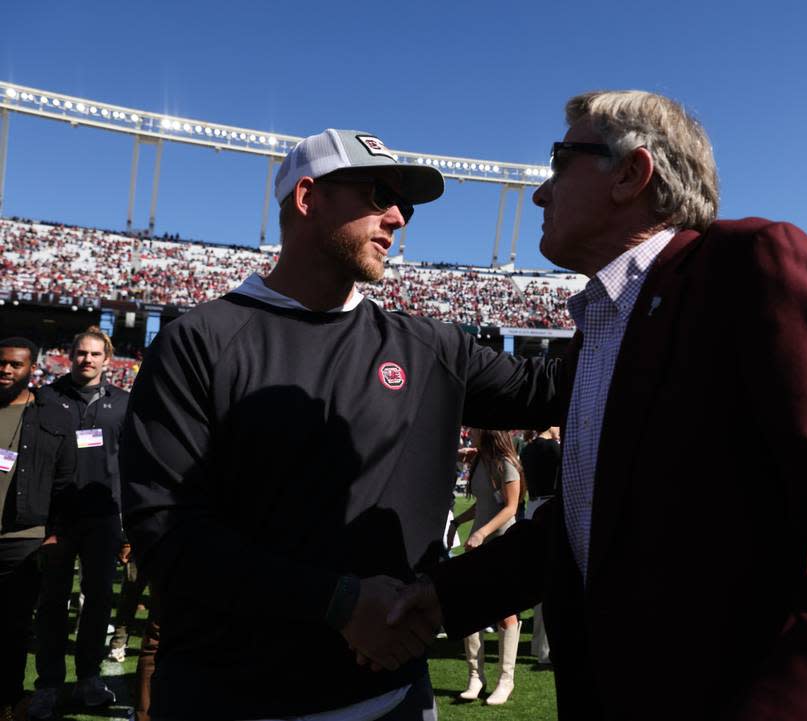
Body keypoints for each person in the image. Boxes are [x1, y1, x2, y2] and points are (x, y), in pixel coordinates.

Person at [391, 91, 807, 720]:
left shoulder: (753, 268)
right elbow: (584, 526)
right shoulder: (597, 330)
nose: (541, 193)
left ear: (632, 174)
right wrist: (443, 597)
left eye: (560, 161)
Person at [119, 128, 562, 721]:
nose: (399, 218)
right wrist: (338, 602)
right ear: (307, 199)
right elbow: (166, 535)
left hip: (392, 697)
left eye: (404, 203)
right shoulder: (199, 341)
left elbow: (558, 390)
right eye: (379, 194)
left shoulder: (428, 347)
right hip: (227, 698)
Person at [29, 327, 129, 718]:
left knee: (99, 598)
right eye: (80, 353)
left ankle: (89, 676)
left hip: (103, 517)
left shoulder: (124, 404)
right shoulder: (47, 397)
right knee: (52, 601)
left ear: (108, 359)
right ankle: (49, 684)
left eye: (94, 354)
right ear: (70, 356)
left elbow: (132, 462)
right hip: (56, 516)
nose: (87, 360)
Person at [0, 338, 75, 721]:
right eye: (2, 364)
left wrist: (55, 530)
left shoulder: (48, 416)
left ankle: (9, 699)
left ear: (33, 369)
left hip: (22, 538)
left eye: (16, 365)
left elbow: (65, 479)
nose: (7, 371)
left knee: (13, 629)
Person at [446, 429, 526, 705]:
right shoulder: (480, 460)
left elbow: (511, 508)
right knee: (471, 609)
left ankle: (506, 680)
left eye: (477, 427)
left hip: (503, 545)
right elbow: (484, 506)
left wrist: (480, 533)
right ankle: (475, 678)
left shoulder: (507, 463)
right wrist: (459, 522)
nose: (472, 431)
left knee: (506, 612)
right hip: (478, 546)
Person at [518, 426, 559, 665]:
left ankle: (537, 645)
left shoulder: (527, 449)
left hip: (533, 507)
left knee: (539, 579)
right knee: (550, 583)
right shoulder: (554, 448)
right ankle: (544, 648)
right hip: (549, 508)